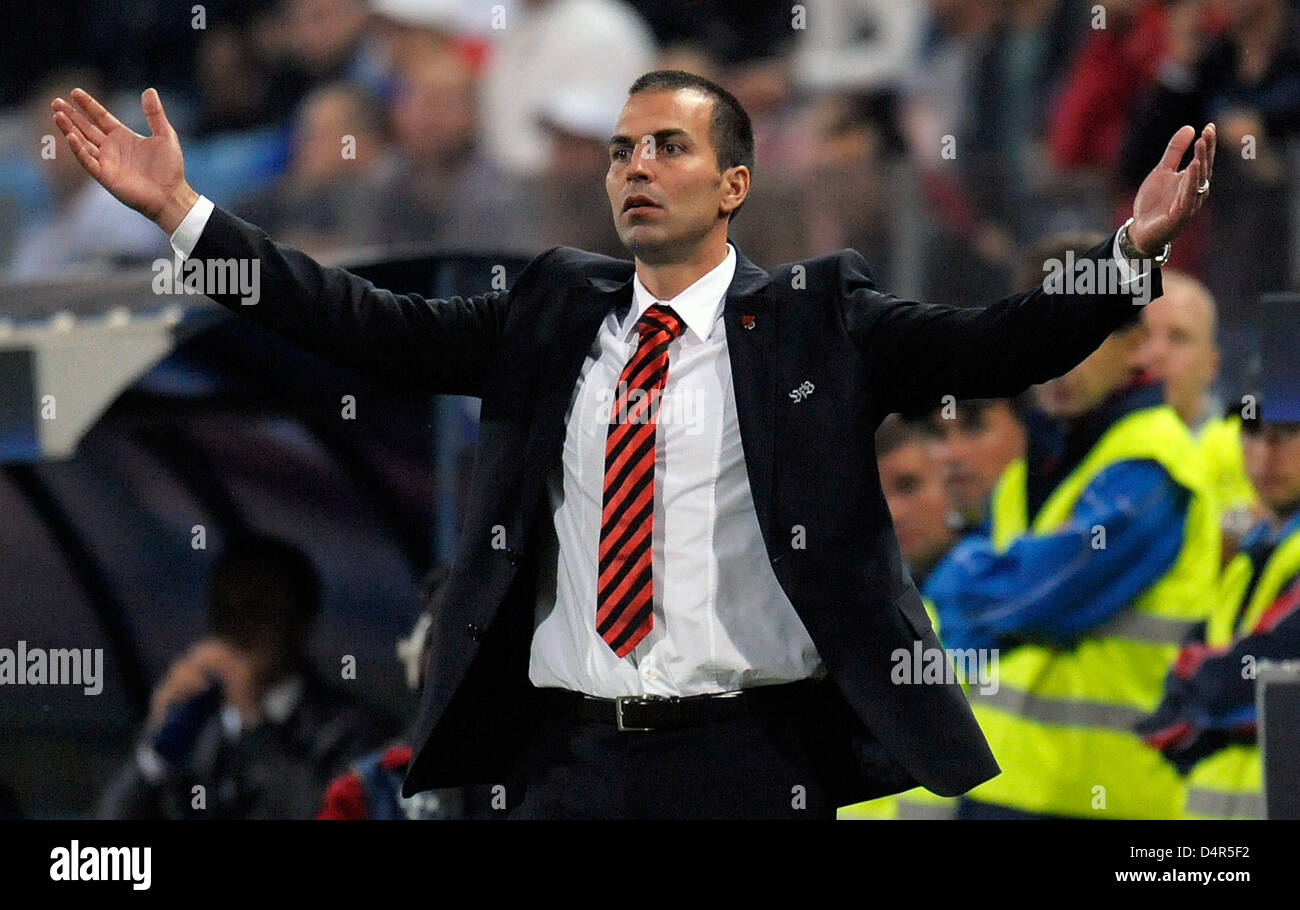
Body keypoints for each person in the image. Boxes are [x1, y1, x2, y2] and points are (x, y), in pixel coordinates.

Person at [53, 68, 1214, 819]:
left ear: (736, 182)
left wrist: (1124, 259)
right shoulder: (550, 311)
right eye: (618, 150)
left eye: (665, 146)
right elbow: (363, 326)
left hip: (752, 764)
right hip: (563, 765)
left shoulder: (820, 321)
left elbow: (993, 345)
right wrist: (185, 219)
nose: (634, 168)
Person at [926, 234, 1221, 819]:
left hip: (1107, 800)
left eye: (1081, 340)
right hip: (1001, 788)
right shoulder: (1036, 463)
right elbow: (975, 608)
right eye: (1043, 339)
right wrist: (983, 594)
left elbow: (1040, 597)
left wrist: (973, 587)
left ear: (1138, 346)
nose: (1057, 362)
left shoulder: (1150, 466)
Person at [97, 534, 393, 819]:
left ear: (301, 623)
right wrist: (159, 744)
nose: (239, 629)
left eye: (257, 611)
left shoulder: (349, 731)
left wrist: (255, 722)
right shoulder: (201, 729)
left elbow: (316, 809)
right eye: (225, 612)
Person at [1139, 297, 1300, 819]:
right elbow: (1186, 686)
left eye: (1289, 432)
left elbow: (1250, 681)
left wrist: (1200, 698)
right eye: (1253, 430)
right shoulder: (1254, 552)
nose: (1265, 452)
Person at [1139, 268, 1258, 553]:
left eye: (1177, 337)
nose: (1156, 352)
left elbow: (1262, 518)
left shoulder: (1248, 444)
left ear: (1212, 364)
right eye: (1142, 336)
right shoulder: (1099, 442)